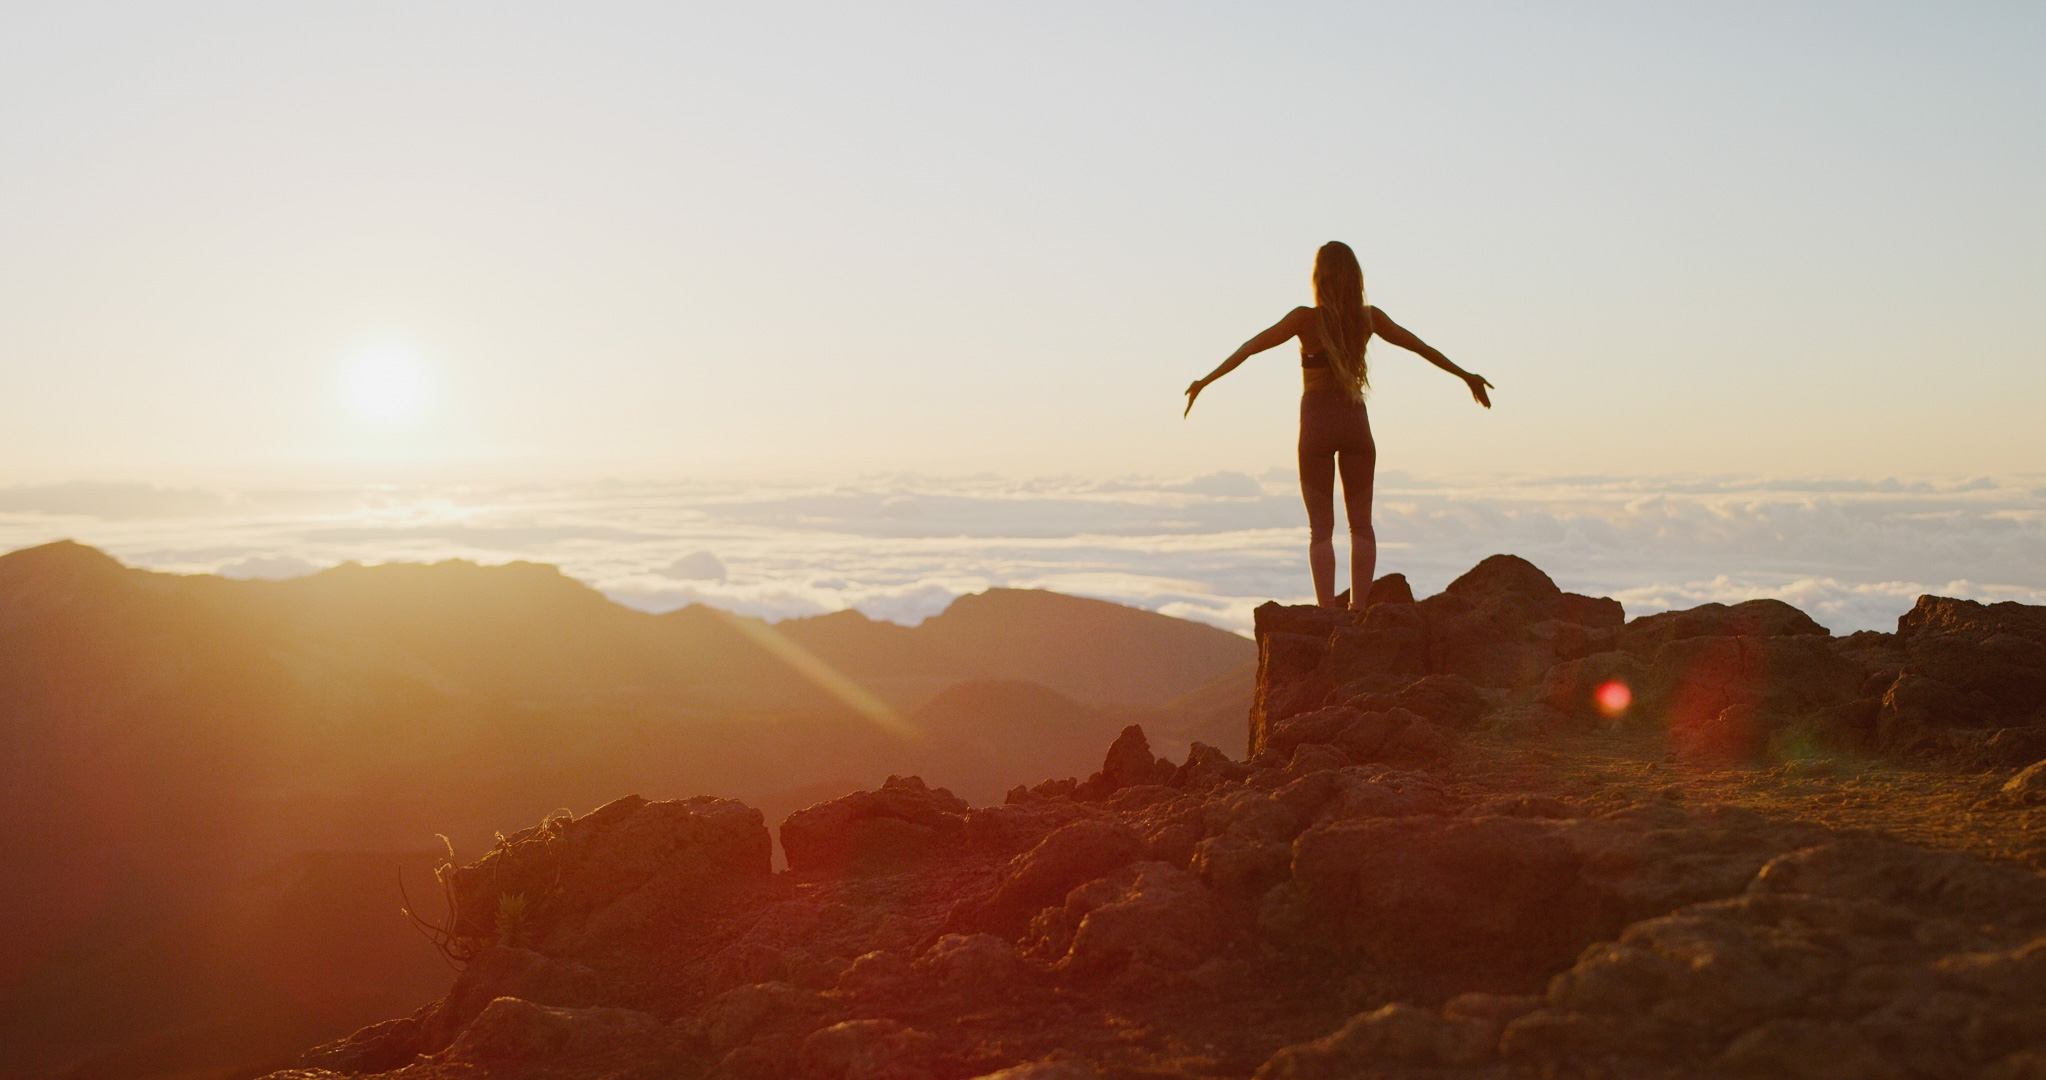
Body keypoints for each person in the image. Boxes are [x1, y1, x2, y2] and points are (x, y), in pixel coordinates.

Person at [1183, 241, 1492, 610]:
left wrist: (1204, 381)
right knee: (1361, 526)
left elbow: (1250, 347)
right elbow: (1420, 347)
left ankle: (1328, 614)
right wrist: (1466, 376)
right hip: (1355, 423)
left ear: (1319, 278)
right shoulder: (1368, 319)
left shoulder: (1304, 319)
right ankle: (1358, 610)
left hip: (1316, 423)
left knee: (1320, 531)